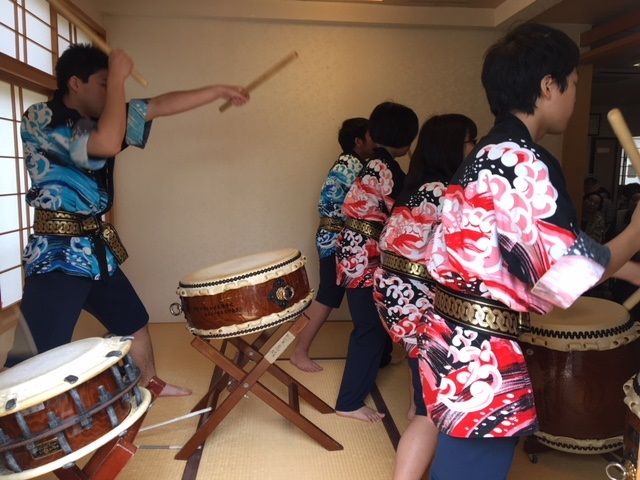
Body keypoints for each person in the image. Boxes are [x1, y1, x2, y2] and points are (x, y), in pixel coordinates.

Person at [419, 23, 640, 479]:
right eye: (573, 83)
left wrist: (626, 267)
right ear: (548, 86)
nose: (575, 96)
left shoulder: (485, 155)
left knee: (461, 462)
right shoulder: (521, 161)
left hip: (456, 336)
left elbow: (518, 256)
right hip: (479, 350)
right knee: (472, 468)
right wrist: (636, 233)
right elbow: (565, 275)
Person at [19, 44, 249, 396]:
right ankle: (21, 420)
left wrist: (218, 90)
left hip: (95, 248)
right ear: (75, 83)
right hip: (57, 254)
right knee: (37, 350)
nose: (109, 92)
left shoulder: (102, 119)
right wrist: (119, 79)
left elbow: (158, 105)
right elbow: (106, 144)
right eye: (103, 84)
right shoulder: (41, 118)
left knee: (133, 320)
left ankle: (149, 383)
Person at [373, 114, 477, 479]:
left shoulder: (417, 188)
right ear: (452, 147)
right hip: (416, 301)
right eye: (470, 141)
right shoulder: (444, 193)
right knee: (430, 412)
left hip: (395, 295)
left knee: (423, 380)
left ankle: (417, 403)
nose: (475, 149)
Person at [334, 101, 419, 422]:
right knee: (368, 327)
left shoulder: (374, 163)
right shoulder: (387, 169)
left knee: (373, 320)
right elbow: (405, 214)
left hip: (354, 249)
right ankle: (349, 402)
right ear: (405, 138)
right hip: (364, 254)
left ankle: (379, 362)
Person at [290, 118, 375, 372]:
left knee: (332, 294)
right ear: (358, 141)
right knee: (327, 295)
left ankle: (380, 354)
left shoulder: (350, 163)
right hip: (335, 239)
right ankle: (299, 351)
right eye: (371, 136)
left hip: (334, 236)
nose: (376, 141)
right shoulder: (351, 166)